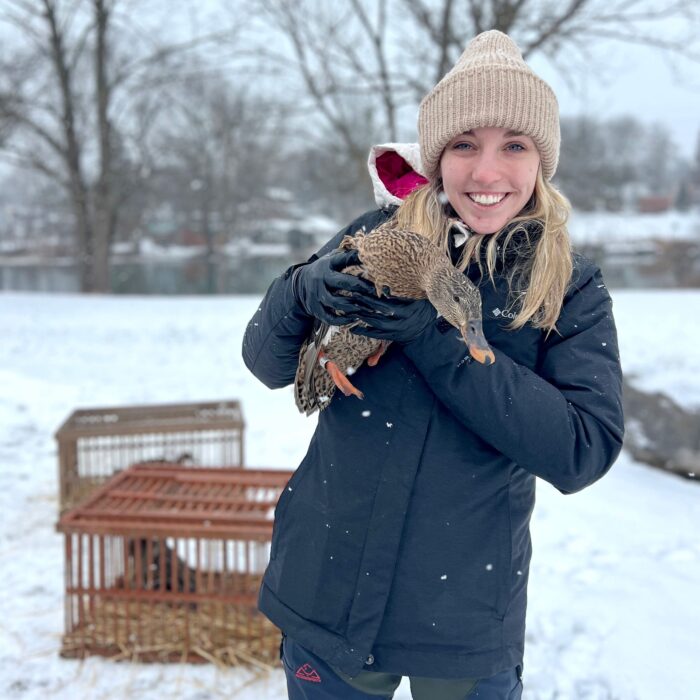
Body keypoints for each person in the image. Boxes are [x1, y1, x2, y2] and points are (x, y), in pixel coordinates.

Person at [242, 30, 624, 700]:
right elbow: (265, 363)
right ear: (436, 157)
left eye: (514, 145)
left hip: (463, 622)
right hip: (325, 591)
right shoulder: (377, 232)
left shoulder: (569, 287)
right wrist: (300, 291)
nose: (486, 172)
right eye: (464, 144)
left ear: (542, 161)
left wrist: (437, 338)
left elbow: (581, 451)